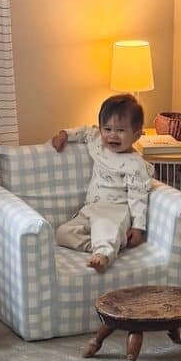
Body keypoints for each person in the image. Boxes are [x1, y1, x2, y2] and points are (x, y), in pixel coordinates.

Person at [51, 93, 153, 273]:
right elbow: (84, 132)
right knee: (62, 234)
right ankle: (107, 245)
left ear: (136, 135)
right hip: (91, 208)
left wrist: (138, 228)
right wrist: (64, 134)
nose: (112, 135)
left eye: (120, 130)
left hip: (116, 211)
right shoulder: (98, 142)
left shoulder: (135, 164)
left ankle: (104, 255)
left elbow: (139, 196)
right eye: (107, 129)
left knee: (107, 228)